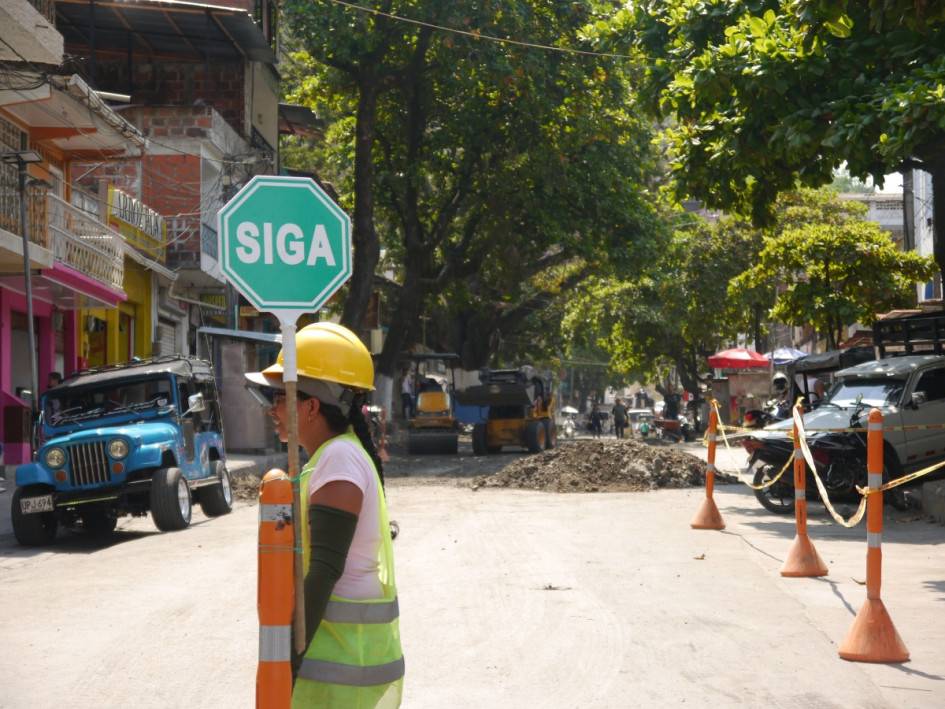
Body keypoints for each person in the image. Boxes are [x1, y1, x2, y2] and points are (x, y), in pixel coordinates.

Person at [245, 322, 404, 707]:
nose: (272, 410)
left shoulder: (339, 460)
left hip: (341, 668)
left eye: (279, 398)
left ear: (311, 406)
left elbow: (324, 571)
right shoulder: (336, 456)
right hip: (341, 665)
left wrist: (282, 663)